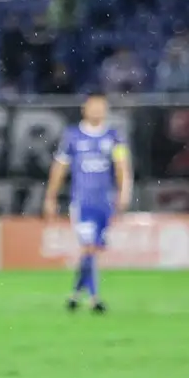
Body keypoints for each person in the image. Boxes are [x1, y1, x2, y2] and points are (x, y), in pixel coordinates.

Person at [43, 91, 131, 312]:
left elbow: (121, 167)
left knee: (90, 251)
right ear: (85, 109)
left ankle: (74, 295)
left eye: (101, 106)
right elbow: (59, 168)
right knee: (89, 247)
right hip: (82, 202)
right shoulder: (72, 136)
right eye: (93, 106)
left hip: (104, 202)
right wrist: (50, 197)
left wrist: (124, 192)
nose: (97, 110)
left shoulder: (114, 136)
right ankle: (95, 299)